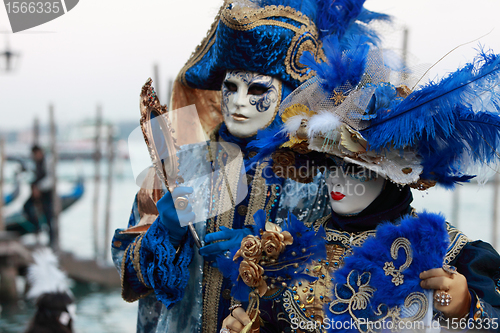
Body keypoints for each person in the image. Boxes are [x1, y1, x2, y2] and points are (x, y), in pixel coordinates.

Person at [111, 1, 389, 332]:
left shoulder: (319, 175)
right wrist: (166, 234)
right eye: (231, 87)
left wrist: (267, 250)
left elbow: (349, 265)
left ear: (288, 93)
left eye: (257, 89)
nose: (240, 101)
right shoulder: (174, 168)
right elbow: (126, 271)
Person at [220, 32, 500, 332]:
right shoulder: (290, 252)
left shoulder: (452, 254)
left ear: (392, 177)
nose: (338, 181)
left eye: (357, 169)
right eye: (333, 166)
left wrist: (466, 308)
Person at [23, 145, 54, 245]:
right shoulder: (35, 163)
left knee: (48, 216)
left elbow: (50, 180)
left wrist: (38, 187)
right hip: (37, 191)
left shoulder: (48, 161)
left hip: (46, 193)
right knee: (26, 207)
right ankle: (37, 227)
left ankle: (51, 241)